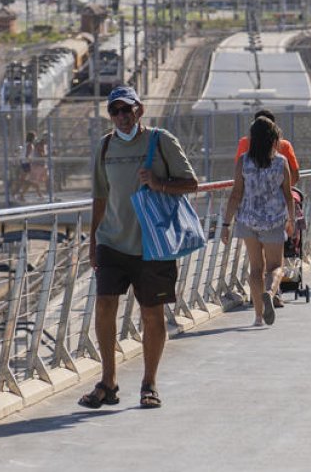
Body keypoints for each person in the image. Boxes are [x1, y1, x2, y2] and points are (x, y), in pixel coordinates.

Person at [79, 86, 198, 410]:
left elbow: (191, 183)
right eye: (115, 111)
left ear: (139, 110)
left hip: (153, 244)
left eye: (126, 110)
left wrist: (158, 184)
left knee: (151, 314)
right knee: (104, 306)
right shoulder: (105, 147)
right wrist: (93, 242)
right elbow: (100, 198)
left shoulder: (161, 141)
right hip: (112, 241)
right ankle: (108, 382)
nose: (121, 116)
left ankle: (149, 384)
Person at [221, 117, 297, 326]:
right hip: (273, 221)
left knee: (255, 268)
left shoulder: (243, 161)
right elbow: (289, 195)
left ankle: (257, 316)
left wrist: (226, 224)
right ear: (274, 139)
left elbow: (236, 194)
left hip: (247, 220)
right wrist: (291, 220)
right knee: (275, 267)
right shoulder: (281, 162)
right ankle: (271, 294)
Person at [234, 108, 300, 186]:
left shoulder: (244, 143)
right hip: (277, 193)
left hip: (251, 194)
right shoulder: (284, 146)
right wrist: (282, 191)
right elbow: (295, 175)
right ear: (274, 128)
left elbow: (238, 172)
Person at [16, 131, 43, 202]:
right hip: (27, 164)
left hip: (23, 163)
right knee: (30, 180)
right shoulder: (30, 145)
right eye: (35, 137)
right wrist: (32, 162)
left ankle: (39, 194)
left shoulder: (25, 144)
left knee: (25, 180)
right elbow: (27, 156)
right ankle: (39, 195)